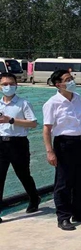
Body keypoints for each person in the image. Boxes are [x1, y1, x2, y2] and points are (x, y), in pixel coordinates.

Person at [43, 69, 81, 231]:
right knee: (63, 182)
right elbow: (47, 129)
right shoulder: (52, 103)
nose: (71, 81)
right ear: (58, 84)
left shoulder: (77, 98)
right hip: (64, 144)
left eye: (71, 78)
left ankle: (78, 212)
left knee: (79, 180)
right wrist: (50, 151)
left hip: (79, 141)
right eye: (67, 79)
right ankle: (63, 217)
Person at [0, 73, 40, 224]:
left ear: (16, 85)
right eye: (4, 84)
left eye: (11, 83)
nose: (8, 87)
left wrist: (10, 120)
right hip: (1, 143)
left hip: (18, 143)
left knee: (23, 174)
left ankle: (34, 198)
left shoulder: (23, 103)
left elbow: (33, 123)